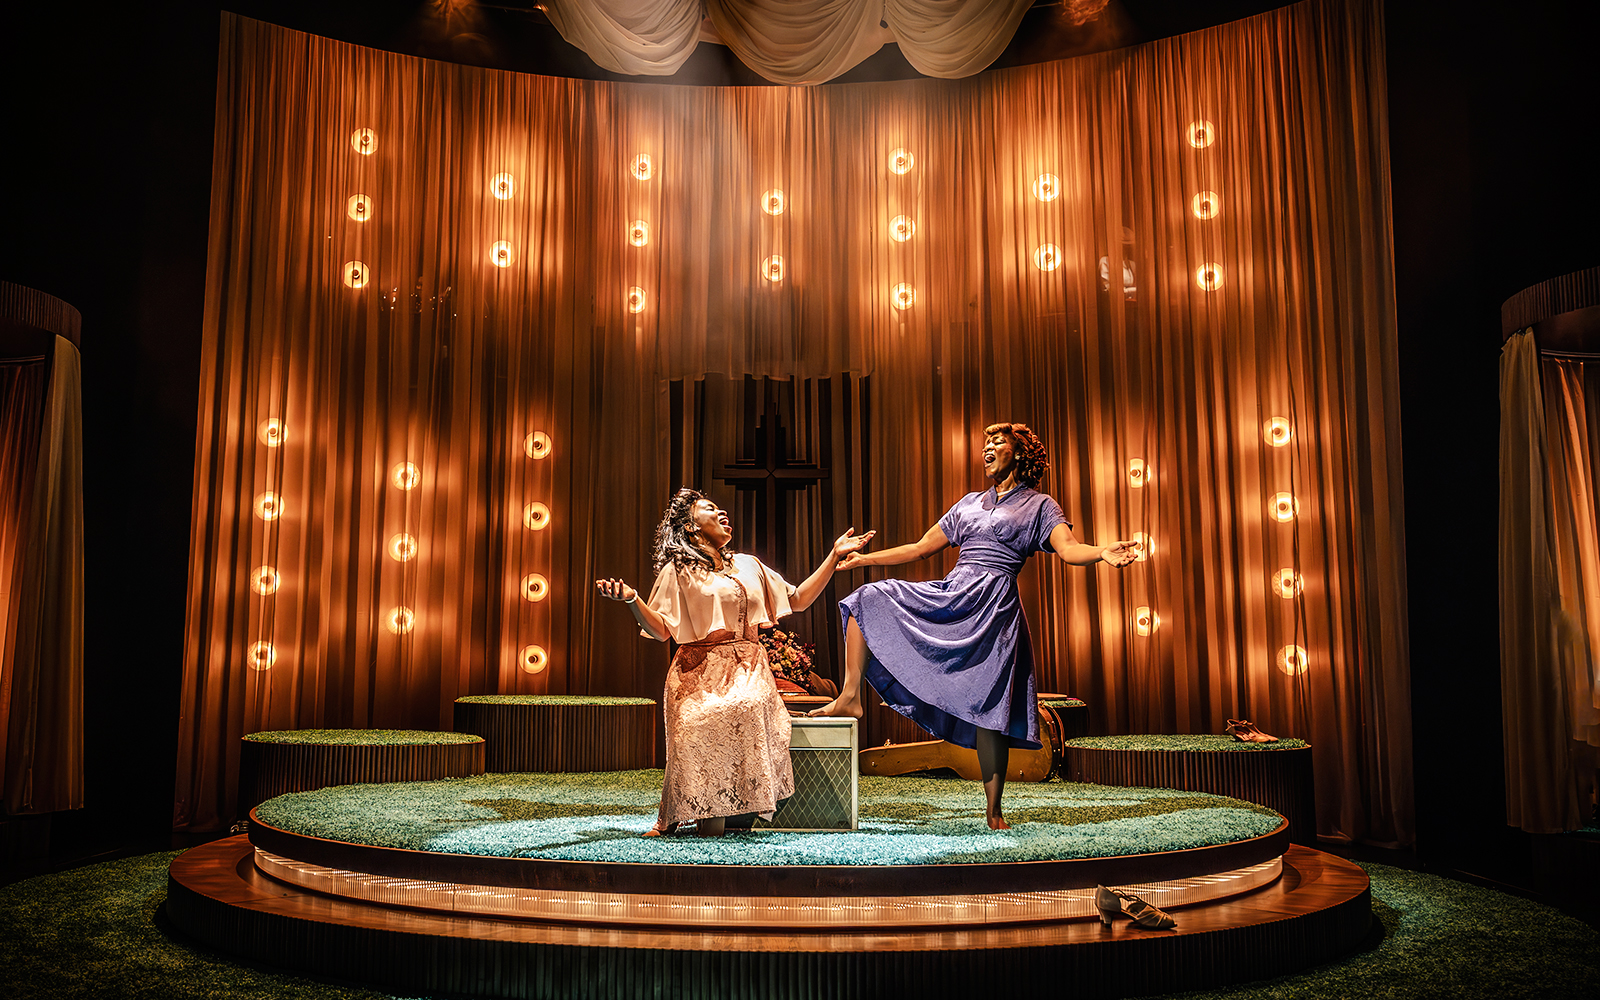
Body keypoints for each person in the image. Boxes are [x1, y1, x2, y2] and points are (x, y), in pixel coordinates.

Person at [810, 422, 1138, 829]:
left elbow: (1069, 550)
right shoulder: (967, 504)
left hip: (995, 613)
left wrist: (1102, 551)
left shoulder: (1040, 506)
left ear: (1018, 453)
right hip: (955, 594)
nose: (987, 448)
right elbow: (918, 547)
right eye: (985, 442)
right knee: (866, 599)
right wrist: (865, 560)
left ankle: (994, 808)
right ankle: (850, 695)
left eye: (997, 442)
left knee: (990, 710)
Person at [596, 489, 874, 837]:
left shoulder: (749, 564)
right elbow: (661, 630)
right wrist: (633, 600)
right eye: (710, 509)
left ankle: (720, 817)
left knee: (745, 704)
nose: (722, 511)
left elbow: (799, 599)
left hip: (746, 668)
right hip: (695, 672)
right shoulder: (678, 570)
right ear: (690, 527)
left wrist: (833, 556)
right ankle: (691, 818)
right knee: (698, 720)